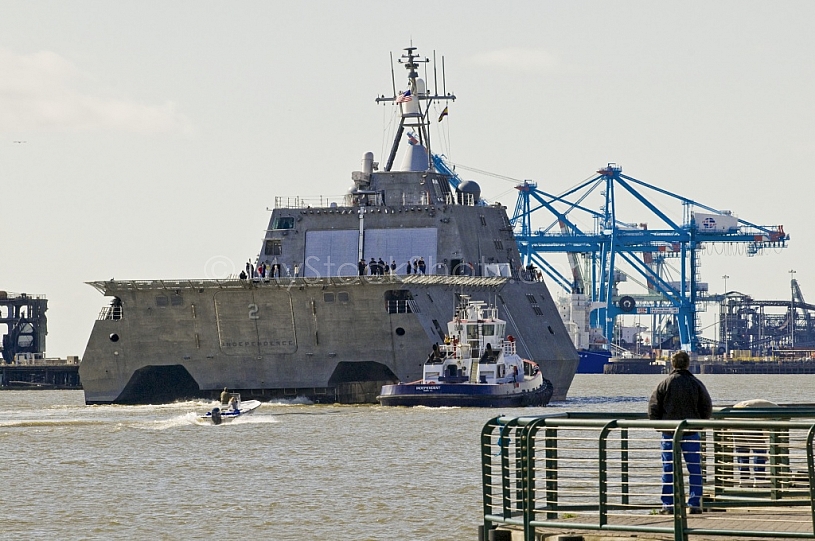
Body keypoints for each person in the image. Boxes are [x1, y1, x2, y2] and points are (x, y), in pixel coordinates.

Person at [648, 350, 712, 515]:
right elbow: (706, 407)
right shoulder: (696, 383)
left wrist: (661, 427)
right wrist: (699, 425)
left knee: (669, 469)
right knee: (695, 469)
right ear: (688, 364)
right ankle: (694, 503)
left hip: (669, 433)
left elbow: (653, 408)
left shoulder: (664, 384)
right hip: (691, 432)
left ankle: (668, 505)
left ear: (672, 364)